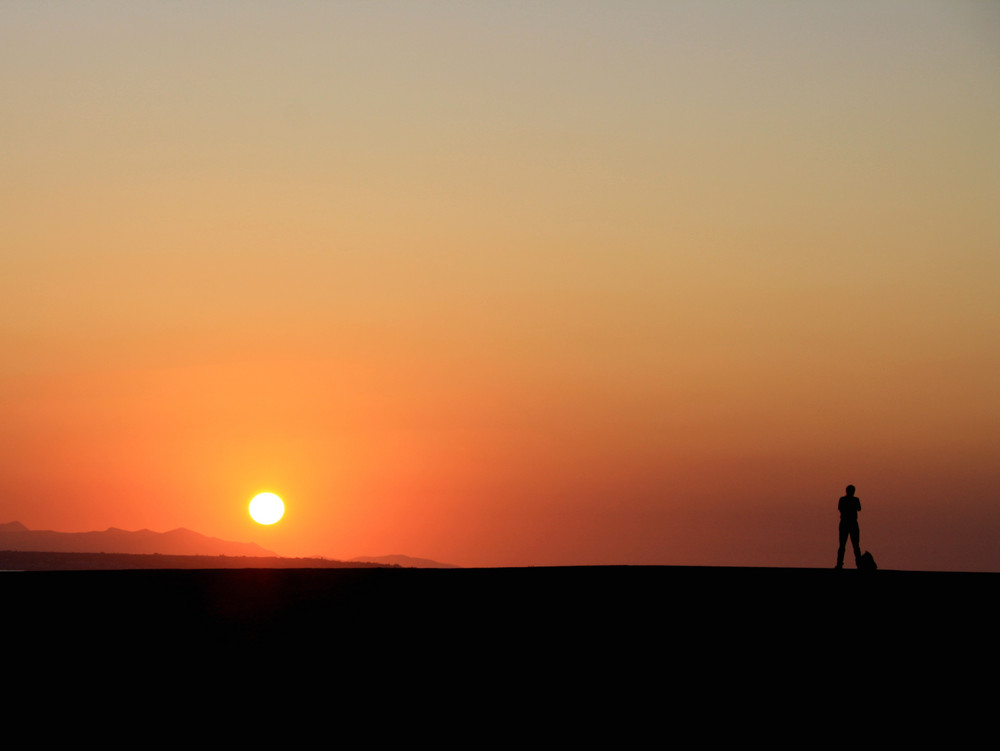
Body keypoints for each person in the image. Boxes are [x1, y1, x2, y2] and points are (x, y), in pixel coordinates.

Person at [836, 484, 862, 569]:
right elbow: (859, 508)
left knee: (845, 545)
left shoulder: (843, 500)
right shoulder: (855, 500)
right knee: (854, 545)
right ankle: (858, 564)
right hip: (850, 523)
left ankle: (840, 564)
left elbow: (840, 508)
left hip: (846, 523)